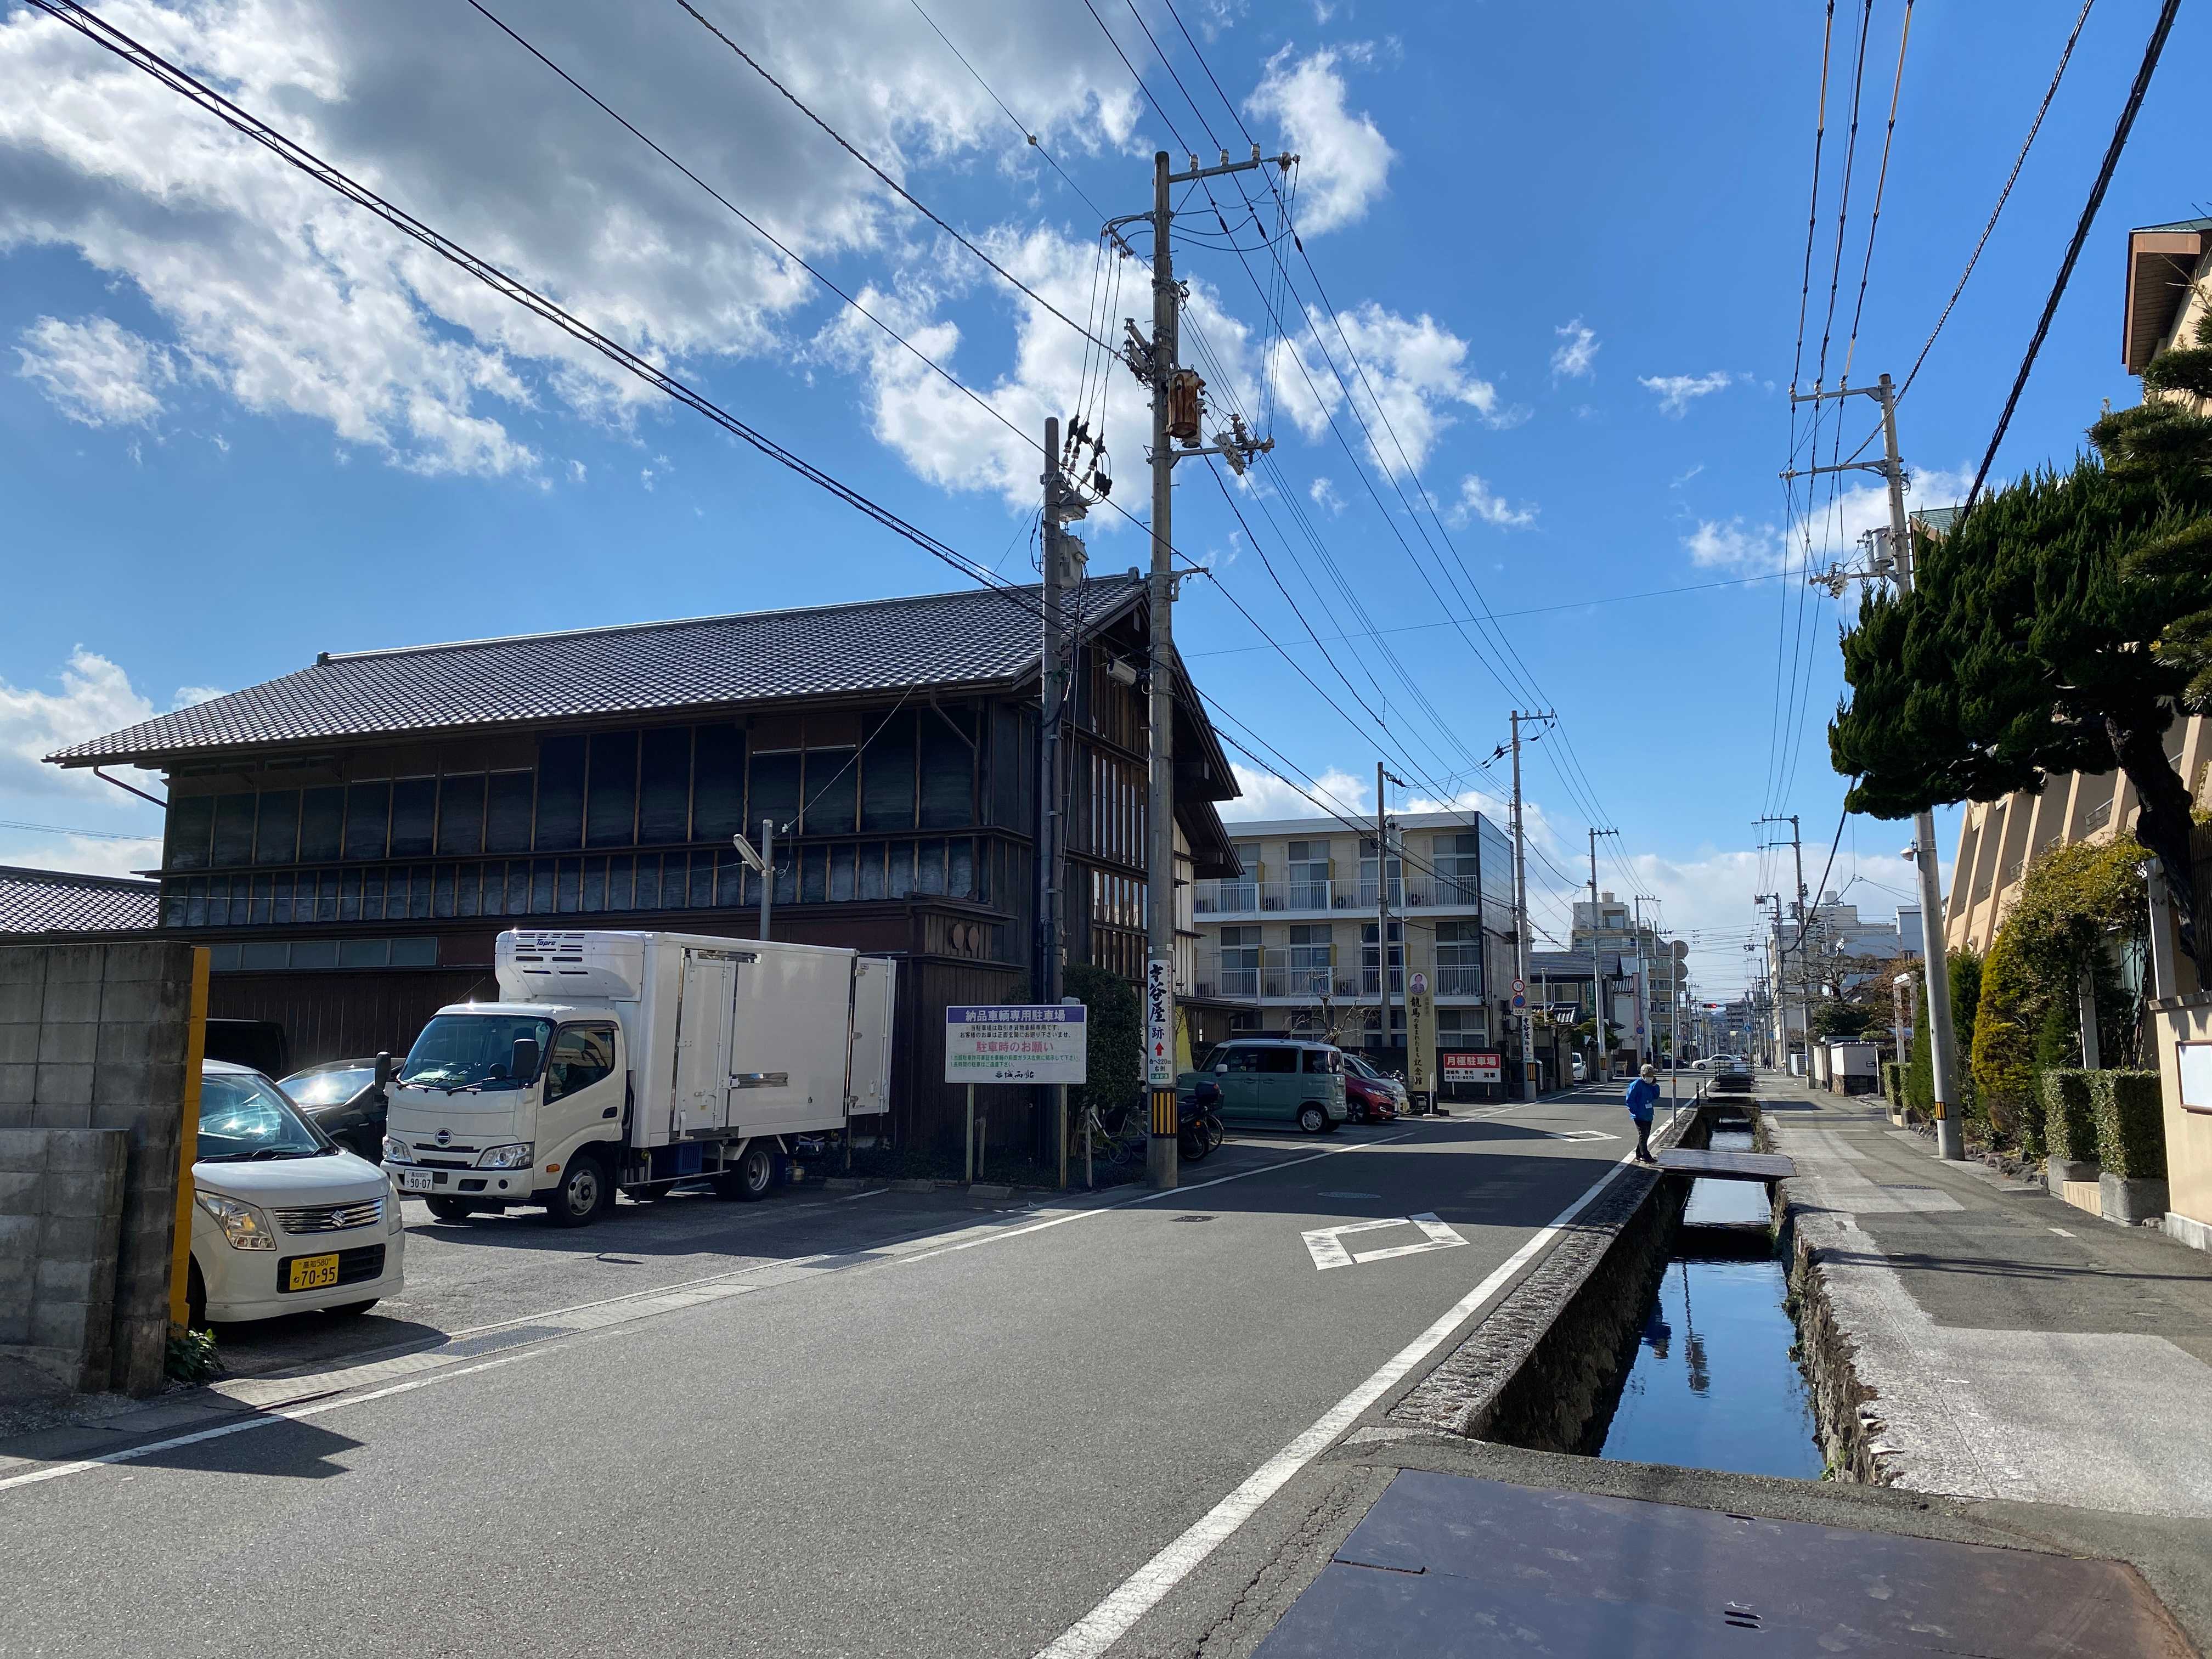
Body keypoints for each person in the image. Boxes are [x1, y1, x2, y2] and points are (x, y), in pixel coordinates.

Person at [1623, 1062, 1661, 1163]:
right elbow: (1630, 1101)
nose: (1651, 1078)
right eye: (1649, 1076)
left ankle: (1639, 1153)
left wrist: (1655, 1086)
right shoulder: (1636, 1085)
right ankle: (1646, 1155)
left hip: (1648, 1114)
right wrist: (1636, 1112)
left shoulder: (1651, 1085)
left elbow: (1656, 1096)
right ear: (1643, 1075)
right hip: (1639, 1115)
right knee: (1643, 1134)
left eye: (1652, 1076)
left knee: (1646, 1135)